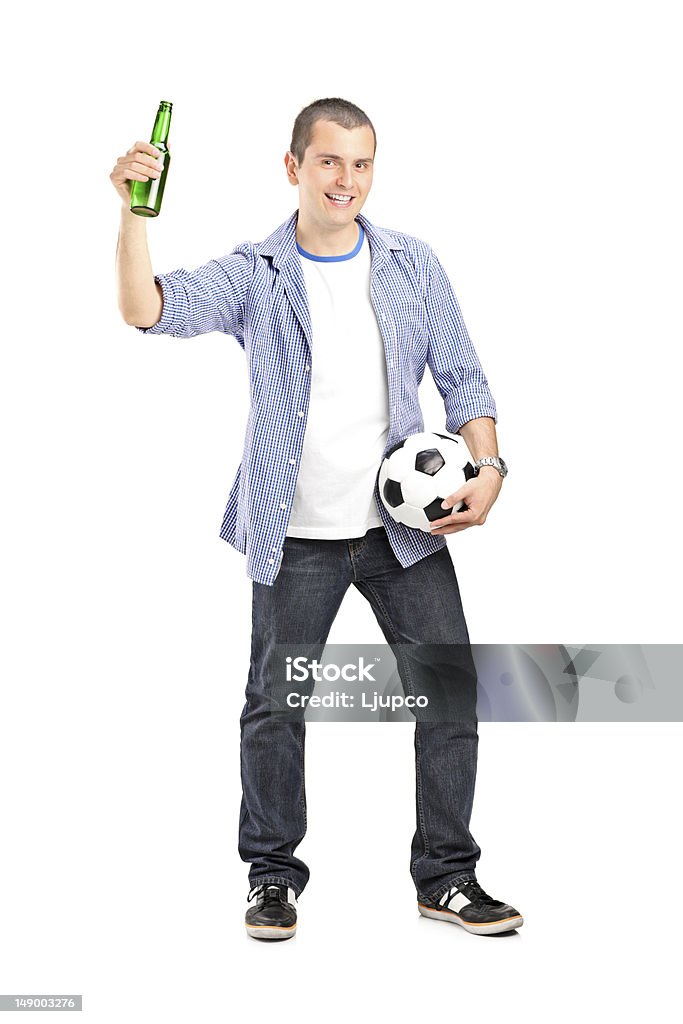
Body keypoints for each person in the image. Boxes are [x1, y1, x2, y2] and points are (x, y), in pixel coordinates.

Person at [110, 96, 523, 941]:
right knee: (275, 705)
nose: (347, 180)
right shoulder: (255, 273)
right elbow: (146, 308)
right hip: (293, 534)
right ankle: (271, 876)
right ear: (293, 167)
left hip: (402, 532)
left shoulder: (412, 263)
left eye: (362, 163)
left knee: (449, 694)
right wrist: (129, 212)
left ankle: (445, 877)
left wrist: (488, 469)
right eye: (330, 162)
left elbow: (464, 376)